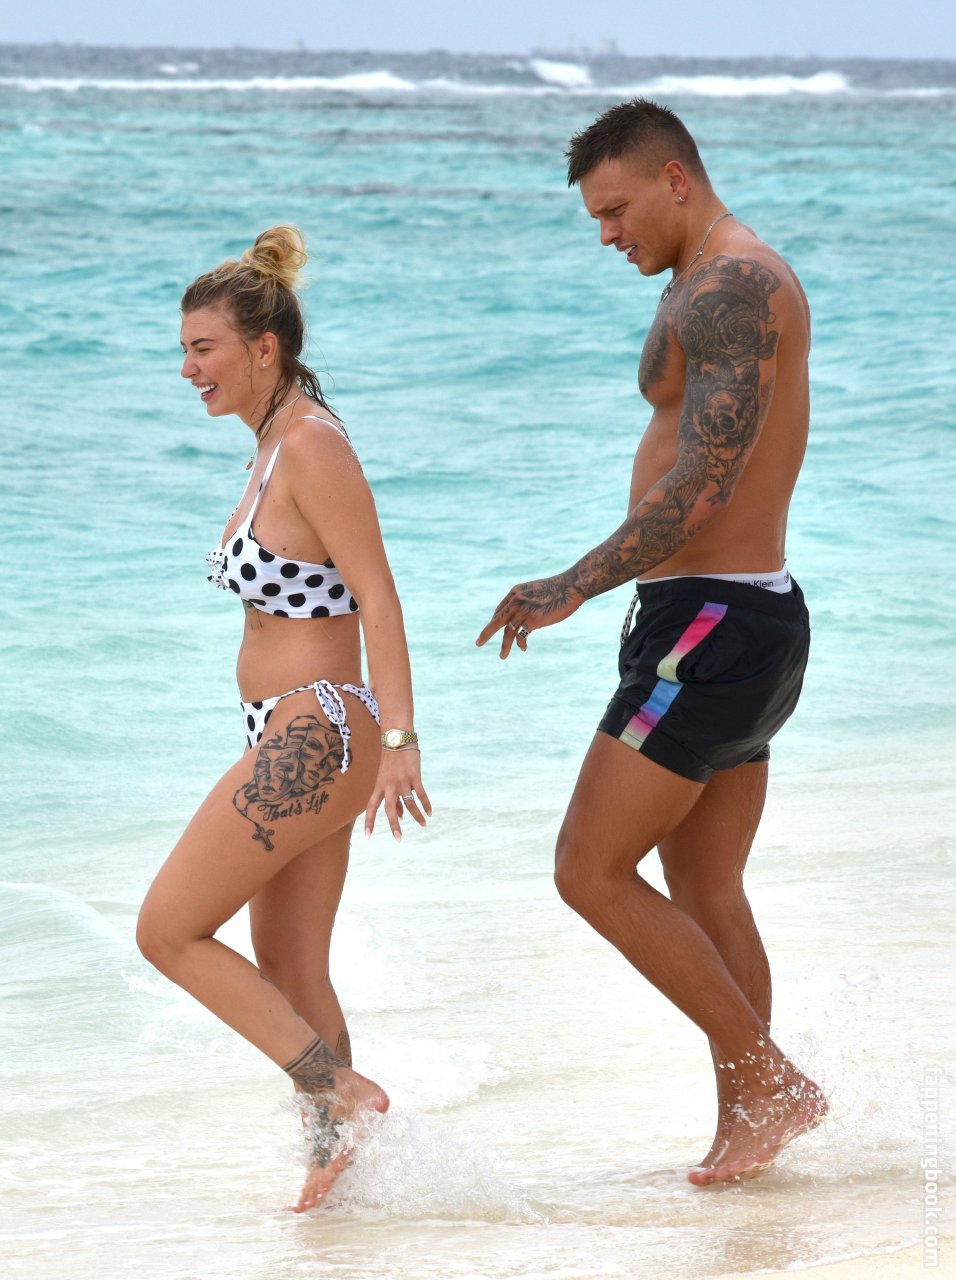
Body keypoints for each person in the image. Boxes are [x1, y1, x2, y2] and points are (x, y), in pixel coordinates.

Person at [477, 99, 826, 1185]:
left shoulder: (730, 286)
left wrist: (572, 584)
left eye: (616, 209)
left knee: (587, 869)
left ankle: (771, 1083)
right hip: (739, 614)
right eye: (595, 217)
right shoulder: (709, 277)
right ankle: (750, 1123)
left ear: (675, 178)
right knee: (706, 883)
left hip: (709, 621)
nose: (606, 234)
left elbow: (704, 480)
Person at [137, 226, 431, 1211]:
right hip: (293, 727)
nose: (188, 369)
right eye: (184, 350)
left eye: (203, 348)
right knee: (292, 964)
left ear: (264, 348)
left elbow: (378, 596)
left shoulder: (310, 445)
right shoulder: (275, 442)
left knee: (167, 929)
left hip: (321, 726)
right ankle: (340, 1174)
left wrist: (400, 740)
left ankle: (339, 1091)